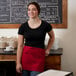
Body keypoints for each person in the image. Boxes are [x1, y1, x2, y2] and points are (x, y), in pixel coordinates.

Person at [16, 2, 55, 76]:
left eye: (33, 9)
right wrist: (18, 63)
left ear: (38, 11)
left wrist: (48, 49)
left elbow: (52, 37)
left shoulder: (45, 25)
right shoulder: (23, 27)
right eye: (29, 9)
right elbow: (20, 45)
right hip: (26, 57)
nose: (31, 12)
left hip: (38, 57)